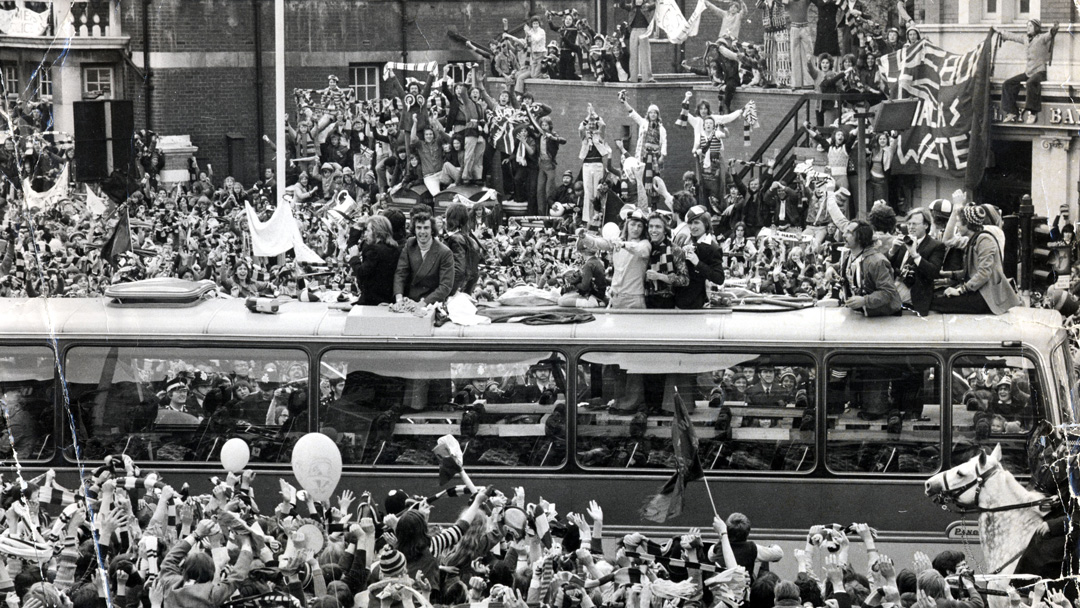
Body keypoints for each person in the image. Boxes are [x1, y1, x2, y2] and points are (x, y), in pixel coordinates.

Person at [932, 205, 1022, 314]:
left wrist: (960, 290)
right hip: (980, 291)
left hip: (987, 297)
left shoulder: (985, 240)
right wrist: (945, 274)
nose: (957, 225)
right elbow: (969, 272)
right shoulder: (974, 239)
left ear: (967, 224)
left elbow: (984, 273)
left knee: (936, 302)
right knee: (936, 297)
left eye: (958, 222)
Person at [994, 20, 1060, 124]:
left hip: (1039, 72)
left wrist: (1054, 29)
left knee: (1031, 83)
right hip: (1028, 72)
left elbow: (1050, 34)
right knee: (1008, 83)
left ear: (1036, 28)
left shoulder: (1041, 38)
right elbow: (1014, 37)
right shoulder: (1025, 39)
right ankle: (1012, 111)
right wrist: (1001, 32)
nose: (1028, 28)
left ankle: (1032, 113)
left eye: (1030, 26)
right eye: (1027, 26)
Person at [840, 219, 902, 316]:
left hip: (880, 318)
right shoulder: (848, 255)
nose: (843, 235)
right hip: (857, 315)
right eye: (845, 231)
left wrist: (865, 300)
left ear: (860, 237)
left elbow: (888, 292)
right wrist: (831, 269)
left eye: (849, 232)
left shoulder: (877, 261)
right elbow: (849, 268)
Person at [889, 207, 944, 316]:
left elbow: (933, 272)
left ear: (926, 225)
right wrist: (892, 251)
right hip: (893, 290)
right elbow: (887, 267)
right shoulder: (903, 242)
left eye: (915, 224)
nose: (911, 227)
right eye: (909, 224)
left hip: (914, 299)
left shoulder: (935, 245)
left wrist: (914, 254)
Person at [394, 211, 455, 305]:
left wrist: (423, 303)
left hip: (431, 303)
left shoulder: (445, 252)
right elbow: (400, 273)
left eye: (426, 228)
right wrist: (399, 299)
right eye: (419, 228)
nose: (422, 231)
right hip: (408, 301)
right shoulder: (410, 244)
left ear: (432, 230)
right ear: (414, 230)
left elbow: (445, 286)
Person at [675, 206, 727, 309]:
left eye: (696, 222)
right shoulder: (685, 240)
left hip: (696, 304)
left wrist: (698, 263)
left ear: (706, 223)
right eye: (690, 223)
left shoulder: (713, 248)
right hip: (677, 301)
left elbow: (719, 278)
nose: (692, 226)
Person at [349, 215, 400, 306]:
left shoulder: (374, 250)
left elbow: (362, 273)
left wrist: (354, 258)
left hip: (372, 302)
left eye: (368, 230)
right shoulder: (394, 248)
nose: (365, 234)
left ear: (376, 232)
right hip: (388, 300)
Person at [645, 212, 690, 308]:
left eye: (658, 227)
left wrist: (660, 276)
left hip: (668, 303)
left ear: (665, 230)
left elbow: (685, 280)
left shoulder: (675, 250)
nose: (653, 230)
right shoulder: (645, 248)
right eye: (651, 226)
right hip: (645, 300)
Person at [444, 203, 482, 296]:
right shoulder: (468, 238)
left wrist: (448, 293)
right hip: (466, 289)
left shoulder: (455, 239)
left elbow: (459, 271)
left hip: (457, 291)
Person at [622, 0, 656, 83]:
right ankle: (633, 78)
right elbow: (622, 5)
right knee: (633, 55)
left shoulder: (646, 7)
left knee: (645, 54)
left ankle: (647, 78)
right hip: (633, 31)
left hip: (644, 31)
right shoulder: (631, 7)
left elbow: (655, 4)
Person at [784, 0, 813, 88]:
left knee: (808, 54)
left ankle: (809, 82)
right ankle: (796, 83)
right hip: (794, 28)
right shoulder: (788, 1)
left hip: (805, 27)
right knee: (794, 55)